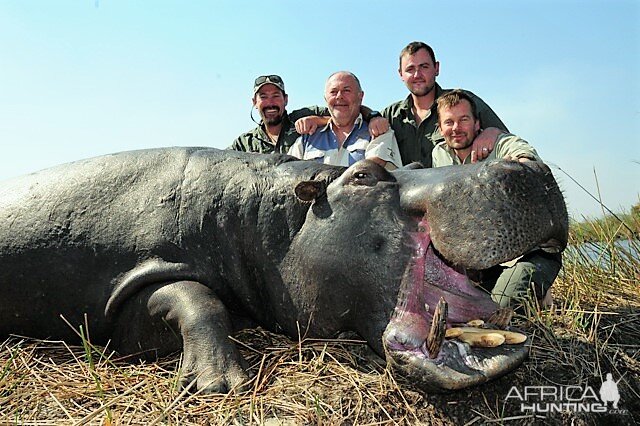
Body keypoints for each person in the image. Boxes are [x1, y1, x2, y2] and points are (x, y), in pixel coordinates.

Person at [433, 89, 561, 310]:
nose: (456, 128)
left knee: (501, 307)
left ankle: (534, 287)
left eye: (464, 120)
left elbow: (526, 155)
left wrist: (518, 164)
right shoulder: (439, 155)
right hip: (485, 259)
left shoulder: (499, 143)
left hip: (530, 252)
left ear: (476, 123)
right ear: (440, 127)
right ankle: (532, 294)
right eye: (449, 122)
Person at [381, 41, 508, 168]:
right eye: (410, 69)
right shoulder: (391, 114)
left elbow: (506, 137)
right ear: (400, 74)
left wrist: (491, 131)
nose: (417, 75)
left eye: (424, 67)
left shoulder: (463, 101)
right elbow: (363, 118)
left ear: (436, 68)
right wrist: (371, 114)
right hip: (408, 187)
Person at [288, 71, 401, 169]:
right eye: (333, 92)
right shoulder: (306, 139)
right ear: (325, 98)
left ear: (360, 96)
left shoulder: (379, 132)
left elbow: (370, 171)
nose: (339, 96)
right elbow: (288, 173)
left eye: (346, 91)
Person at [229, 74, 329, 154]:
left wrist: (318, 121)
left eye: (275, 96)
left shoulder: (303, 116)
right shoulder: (244, 143)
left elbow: (341, 117)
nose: (270, 103)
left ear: (285, 100)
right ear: (254, 102)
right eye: (263, 97)